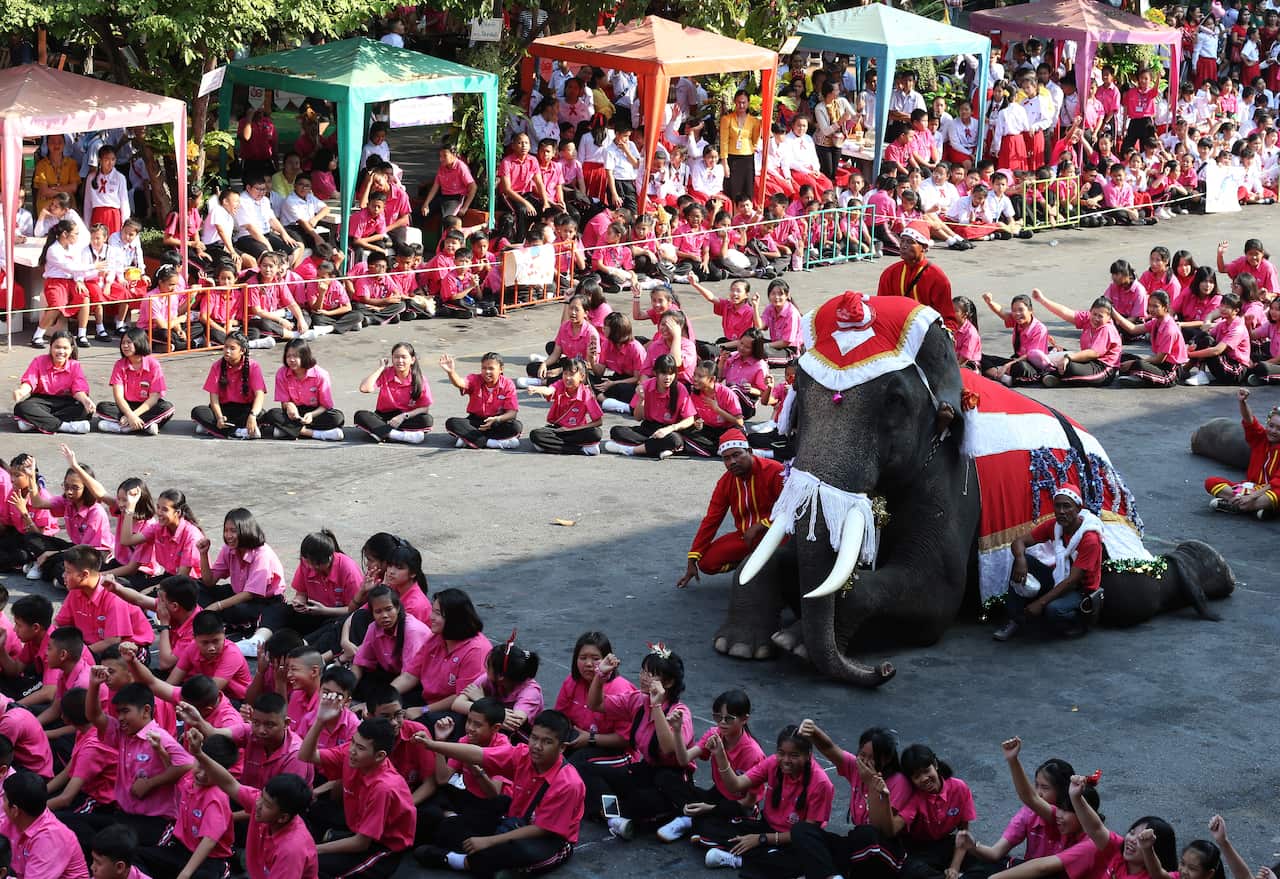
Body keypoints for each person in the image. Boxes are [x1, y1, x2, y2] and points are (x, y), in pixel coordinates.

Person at [68, 670, 195, 848]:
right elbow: (94, 716)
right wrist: (95, 685)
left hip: (154, 822)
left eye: (125, 711)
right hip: (124, 816)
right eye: (118, 712)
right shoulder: (122, 734)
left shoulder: (159, 736)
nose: (120, 718)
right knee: (71, 824)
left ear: (146, 711)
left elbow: (189, 764)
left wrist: (151, 783)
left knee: (111, 849)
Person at [299, 696, 417, 879]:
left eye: (360, 748)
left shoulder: (383, 787)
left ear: (379, 756)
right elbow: (306, 755)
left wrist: (315, 849)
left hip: (382, 847)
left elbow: (361, 843)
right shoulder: (351, 753)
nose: (352, 750)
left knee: (313, 865)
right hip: (358, 828)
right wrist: (321, 720)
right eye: (353, 742)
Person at [697, 724, 835, 874]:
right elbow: (736, 785)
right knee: (709, 826)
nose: (786, 760)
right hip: (767, 826)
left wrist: (761, 839)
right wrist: (720, 754)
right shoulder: (773, 763)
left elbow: (808, 834)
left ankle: (740, 859)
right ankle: (757, 857)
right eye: (781, 753)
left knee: (797, 863)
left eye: (794, 755)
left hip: (794, 841)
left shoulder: (821, 783)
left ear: (808, 755)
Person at [185, 733, 318, 879]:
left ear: (283, 818)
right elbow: (230, 784)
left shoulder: (291, 850)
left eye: (266, 804)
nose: (258, 804)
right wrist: (199, 753)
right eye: (262, 796)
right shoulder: (260, 802)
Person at [994, 484, 1103, 641]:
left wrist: (1040, 603)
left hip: (1080, 588)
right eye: (1057, 506)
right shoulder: (1054, 526)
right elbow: (1019, 542)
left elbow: (1072, 581)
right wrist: (1020, 559)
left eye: (1067, 506)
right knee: (1026, 563)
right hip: (1059, 576)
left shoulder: (1090, 538)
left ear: (1078, 508)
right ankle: (1014, 620)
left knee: (1053, 610)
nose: (1061, 511)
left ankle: (1080, 623)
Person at [676, 429, 785, 587]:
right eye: (726, 458)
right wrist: (692, 557)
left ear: (749, 451)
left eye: (736, 455)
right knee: (707, 563)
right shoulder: (726, 482)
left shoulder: (775, 471)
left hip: (777, 536)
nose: (732, 462)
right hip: (746, 537)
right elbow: (711, 519)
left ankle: (767, 568)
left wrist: (762, 525)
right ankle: (747, 564)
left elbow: (791, 508)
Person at [0, 771, 91, 879]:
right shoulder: (16, 818)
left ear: (15, 810)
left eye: (4, 799)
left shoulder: (50, 838)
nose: (2, 803)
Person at [1205, 388, 1280, 517]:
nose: (1273, 431)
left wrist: (1252, 497)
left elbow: (1276, 483)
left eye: (1279, 429)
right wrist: (1243, 402)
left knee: (1275, 495)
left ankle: (1235, 505)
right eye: (1271, 426)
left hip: (1269, 491)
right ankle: (1256, 509)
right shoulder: (1260, 438)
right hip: (1250, 488)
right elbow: (1249, 421)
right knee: (1211, 482)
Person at [604, 354, 697, 459]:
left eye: (671, 374)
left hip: (669, 430)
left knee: (674, 440)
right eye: (663, 373)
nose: (667, 377)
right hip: (648, 428)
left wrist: (670, 428)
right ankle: (658, 448)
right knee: (616, 431)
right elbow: (638, 417)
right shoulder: (646, 386)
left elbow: (690, 419)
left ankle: (632, 450)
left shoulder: (680, 389)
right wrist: (641, 400)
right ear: (655, 373)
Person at [1030, 290, 1122, 388]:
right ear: (1090, 312)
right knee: (1053, 351)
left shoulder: (1107, 329)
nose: (1096, 318)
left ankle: (1050, 375)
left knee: (1069, 367)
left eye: (1100, 316)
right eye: (1094, 314)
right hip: (1088, 361)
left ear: (1109, 318)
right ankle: (1051, 373)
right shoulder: (1088, 318)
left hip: (1103, 369)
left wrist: (1069, 357)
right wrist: (1042, 300)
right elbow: (1065, 312)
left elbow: (1093, 353)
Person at [260, 338, 346, 441]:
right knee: (272, 414)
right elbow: (284, 402)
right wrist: (290, 406)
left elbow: (325, 405)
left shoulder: (320, 374)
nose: (291, 360)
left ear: (305, 356)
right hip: (294, 413)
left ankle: (286, 431)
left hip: (315, 412)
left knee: (337, 417)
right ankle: (315, 434)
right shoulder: (282, 373)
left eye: (295, 356)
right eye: (288, 356)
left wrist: (311, 415)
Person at [876, 226, 959, 332]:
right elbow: (881, 310)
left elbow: (948, 319)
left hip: (927, 336)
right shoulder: (890, 273)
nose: (903, 246)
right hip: (895, 334)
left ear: (924, 247)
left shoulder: (937, 277)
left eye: (910, 242)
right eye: (902, 241)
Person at [13, 332, 95, 435]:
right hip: (41, 401)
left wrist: (85, 400)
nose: (61, 351)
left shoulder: (75, 365)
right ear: (51, 347)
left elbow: (78, 388)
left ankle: (34, 422)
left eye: (65, 348)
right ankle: (66, 427)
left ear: (71, 349)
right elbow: (30, 381)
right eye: (57, 347)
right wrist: (21, 391)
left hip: (65, 402)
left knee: (84, 410)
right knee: (22, 407)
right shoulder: (39, 361)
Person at [96, 329, 175, 435]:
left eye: (129, 342)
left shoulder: (153, 364)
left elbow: (154, 398)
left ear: (140, 342)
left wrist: (133, 415)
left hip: (147, 406)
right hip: (127, 406)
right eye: (123, 343)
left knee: (167, 408)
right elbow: (118, 396)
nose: (125, 346)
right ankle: (145, 426)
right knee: (102, 407)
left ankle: (124, 427)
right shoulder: (120, 364)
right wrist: (129, 414)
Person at [440, 352, 522, 450]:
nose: (487, 371)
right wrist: (451, 372)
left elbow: (512, 413)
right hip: (476, 422)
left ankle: (469, 439)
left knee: (516, 426)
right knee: (452, 423)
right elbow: (460, 383)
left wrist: (497, 419)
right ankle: (490, 443)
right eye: (484, 368)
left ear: (501, 369)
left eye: (491, 368)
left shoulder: (508, 384)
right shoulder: (475, 379)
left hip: (497, 422)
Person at [36, 221, 98, 349]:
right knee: (57, 306)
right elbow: (70, 267)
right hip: (55, 282)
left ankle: (81, 335)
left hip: (71, 281)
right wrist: (94, 266)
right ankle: (37, 336)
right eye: (75, 234)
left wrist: (79, 280)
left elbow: (76, 269)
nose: (77, 236)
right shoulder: (53, 250)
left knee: (84, 297)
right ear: (65, 234)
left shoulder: (74, 248)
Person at [355, 342, 433, 444]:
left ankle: (381, 433)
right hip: (383, 418)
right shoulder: (386, 373)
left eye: (404, 357)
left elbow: (425, 408)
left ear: (412, 360)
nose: (400, 361)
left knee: (427, 420)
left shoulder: (420, 379)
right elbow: (365, 388)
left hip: (405, 418)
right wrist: (380, 368)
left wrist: (403, 416)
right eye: (396, 357)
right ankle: (398, 435)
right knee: (360, 416)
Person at [525, 357, 605, 455]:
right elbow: (549, 390)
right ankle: (579, 449)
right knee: (536, 435)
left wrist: (569, 429)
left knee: (596, 433)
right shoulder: (560, 384)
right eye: (565, 374)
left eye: (571, 374)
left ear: (582, 376)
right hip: (558, 430)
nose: (567, 378)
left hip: (577, 430)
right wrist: (536, 389)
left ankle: (551, 446)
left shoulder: (586, 393)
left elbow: (598, 422)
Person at [720, 90, 761, 204]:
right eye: (739, 102)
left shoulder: (754, 121)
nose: (741, 105)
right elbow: (723, 142)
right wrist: (724, 163)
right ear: (734, 102)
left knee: (747, 189)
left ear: (748, 103)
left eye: (744, 102)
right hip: (732, 158)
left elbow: (755, 139)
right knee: (734, 190)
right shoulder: (727, 119)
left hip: (748, 158)